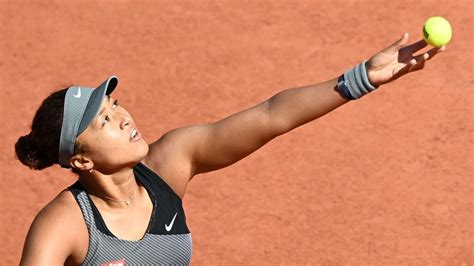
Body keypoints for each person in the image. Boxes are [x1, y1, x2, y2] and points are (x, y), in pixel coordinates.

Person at [15, 33, 445, 265]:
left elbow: (270, 116)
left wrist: (361, 78)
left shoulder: (168, 163)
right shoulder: (65, 225)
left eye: (115, 105)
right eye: (104, 120)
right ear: (82, 159)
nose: (124, 117)